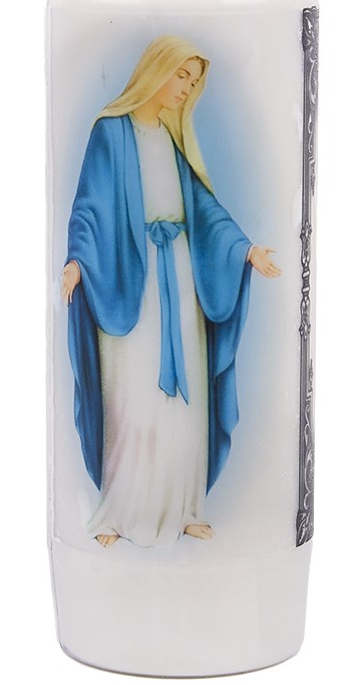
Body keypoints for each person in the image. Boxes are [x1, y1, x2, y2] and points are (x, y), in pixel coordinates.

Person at [62, 35, 280, 548]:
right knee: (132, 394)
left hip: (179, 279)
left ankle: (184, 508)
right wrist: (76, 261)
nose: (186, 88)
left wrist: (247, 251)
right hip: (130, 278)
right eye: (181, 75)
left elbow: (204, 209)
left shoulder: (172, 139)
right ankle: (119, 511)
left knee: (185, 399)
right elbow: (90, 205)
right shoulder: (111, 132)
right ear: (156, 69)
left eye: (193, 80)